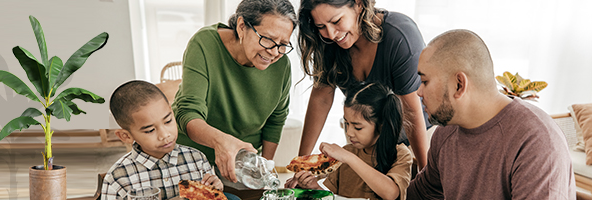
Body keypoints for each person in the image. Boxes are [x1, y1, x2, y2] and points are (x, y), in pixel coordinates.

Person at [407, 29, 576, 199]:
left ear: (459, 85)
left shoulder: (537, 142)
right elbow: (421, 195)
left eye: (425, 82)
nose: (419, 92)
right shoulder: (445, 134)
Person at [171, 0, 297, 189]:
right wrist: (222, 142)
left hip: (242, 163)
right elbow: (188, 112)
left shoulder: (282, 65)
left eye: (282, 44)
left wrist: (264, 168)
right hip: (191, 158)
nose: (274, 52)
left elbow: (275, 120)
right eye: (268, 39)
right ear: (241, 26)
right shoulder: (205, 44)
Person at [296, 0, 430, 169]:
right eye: (321, 26)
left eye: (336, 21)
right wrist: (302, 163)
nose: (330, 34)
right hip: (368, 141)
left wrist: (425, 172)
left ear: (359, 4)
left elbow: (411, 111)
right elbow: (321, 99)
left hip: (420, 139)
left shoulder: (400, 36)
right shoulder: (328, 42)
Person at [286, 82, 414, 200]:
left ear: (381, 125)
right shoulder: (347, 152)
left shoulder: (401, 154)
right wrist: (313, 187)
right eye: (346, 124)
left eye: (357, 127)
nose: (349, 133)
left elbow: (391, 194)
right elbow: (334, 197)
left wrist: (349, 158)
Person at [102, 80, 223, 199]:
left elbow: (211, 195)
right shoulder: (117, 179)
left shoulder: (197, 160)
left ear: (171, 111)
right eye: (150, 130)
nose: (165, 135)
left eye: (168, 121)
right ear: (126, 136)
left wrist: (215, 191)